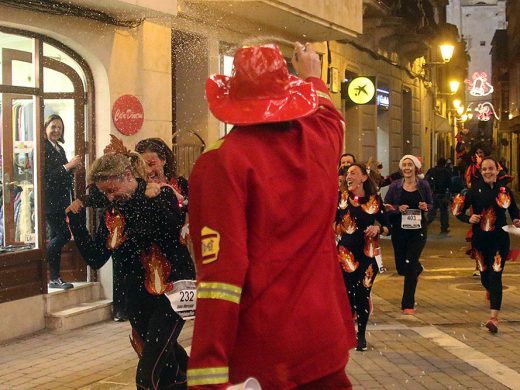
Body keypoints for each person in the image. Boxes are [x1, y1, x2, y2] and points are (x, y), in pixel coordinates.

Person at [187, 42, 356, 388]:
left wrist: (208, 372)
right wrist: (311, 74)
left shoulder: (222, 163)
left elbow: (221, 276)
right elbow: (329, 115)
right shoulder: (319, 141)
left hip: (264, 355)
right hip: (324, 337)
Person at [66, 150, 195, 389]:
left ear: (128, 175)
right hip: (137, 300)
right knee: (169, 370)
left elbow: (155, 231)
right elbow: (96, 257)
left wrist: (145, 194)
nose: (111, 197)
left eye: (113, 190)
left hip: (170, 294)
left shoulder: (160, 195)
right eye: (105, 193)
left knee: (146, 377)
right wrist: (76, 222)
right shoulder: (113, 214)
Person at [453, 157, 520, 333]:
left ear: (497, 171)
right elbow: (457, 211)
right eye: (484, 169)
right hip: (480, 241)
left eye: (491, 169)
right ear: (480, 172)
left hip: (500, 240)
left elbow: (514, 211)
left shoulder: (504, 190)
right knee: (485, 277)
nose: (488, 172)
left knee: (496, 276)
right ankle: (490, 290)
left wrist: (517, 219)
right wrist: (469, 218)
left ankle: (493, 318)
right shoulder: (473, 191)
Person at [335, 163, 390, 351]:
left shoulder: (374, 200)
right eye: (347, 173)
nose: (348, 176)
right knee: (347, 296)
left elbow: (388, 226)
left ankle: (362, 335)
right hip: (345, 256)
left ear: (363, 178)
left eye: (353, 173)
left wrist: (378, 228)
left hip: (367, 255)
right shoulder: (341, 199)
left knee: (362, 295)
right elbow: (330, 223)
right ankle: (348, 332)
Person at [384, 155, 433, 314]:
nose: (407, 168)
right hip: (399, 230)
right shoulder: (395, 186)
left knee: (410, 265)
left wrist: (426, 206)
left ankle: (408, 304)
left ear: (415, 168)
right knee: (401, 267)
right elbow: (386, 206)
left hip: (418, 230)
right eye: (404, 165)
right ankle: (417, 269)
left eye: (410, 165)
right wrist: (398, 208)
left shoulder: (423, 185)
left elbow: (431, 204)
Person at [44, 114, 82, 289]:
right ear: (45, 128)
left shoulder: (59, 148)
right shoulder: (43, 147)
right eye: (53, 126)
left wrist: (72, 169)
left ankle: (54, 277)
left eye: (59, 127)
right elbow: (48, 177)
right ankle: (45, 259)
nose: (56, 130)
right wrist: (68, 166)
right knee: (63, 235)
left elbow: (61, 175)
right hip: (49, 202)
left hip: (60, 202)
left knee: (55, 237)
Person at [425, 157, 452, 233]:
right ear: (444, 163)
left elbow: (426, 180)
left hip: (433, 195)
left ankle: (424, 225)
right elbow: (449, 184)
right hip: (442, 194)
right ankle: (444, 228)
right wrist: (450, 194)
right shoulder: (446, 172)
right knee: (444, 213)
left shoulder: (432, 171)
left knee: (431, 213)